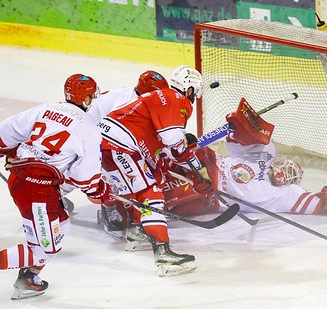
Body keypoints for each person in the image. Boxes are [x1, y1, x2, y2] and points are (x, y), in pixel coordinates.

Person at [0, 74, 110, 300]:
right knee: (45, 249)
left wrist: (7, 151)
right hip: (37, 190)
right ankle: (28, 275)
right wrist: (98, 191)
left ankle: (29, 279)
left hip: (25, 180)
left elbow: (7, 132)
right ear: (87, 98)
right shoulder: (89, 128)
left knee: (62, 222)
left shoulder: (46, 108)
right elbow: (85, 177)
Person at [169, 97, 327, 218]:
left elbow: (322, 205)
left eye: (291, 175)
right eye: (287, 167)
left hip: (213, 196)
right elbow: (240, 141)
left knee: (177, 202)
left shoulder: (286, 194)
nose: (284, 172)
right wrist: (241, 126)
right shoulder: (266, 155)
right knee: (180, 146)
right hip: (209, 164)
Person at [98, 65, 202, 277]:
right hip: (119, 145)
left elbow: (163, 146)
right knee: (151, 193)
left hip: (109, 145)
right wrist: (184, 151)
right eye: (195, 93)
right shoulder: (177, 99)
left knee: (151, 180)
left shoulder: (159, 98)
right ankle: (163, 255)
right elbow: (172, 139)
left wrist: (185, 157)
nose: (193, 99)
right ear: (190, 89)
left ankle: (137, 232)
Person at [88, 70, 169, 237]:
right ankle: (109, 208)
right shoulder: (123, 101)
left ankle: (139, 217)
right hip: (98, 147)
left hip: (122, 149)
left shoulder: (145, 103)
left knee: (149, 178)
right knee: (114, 182)